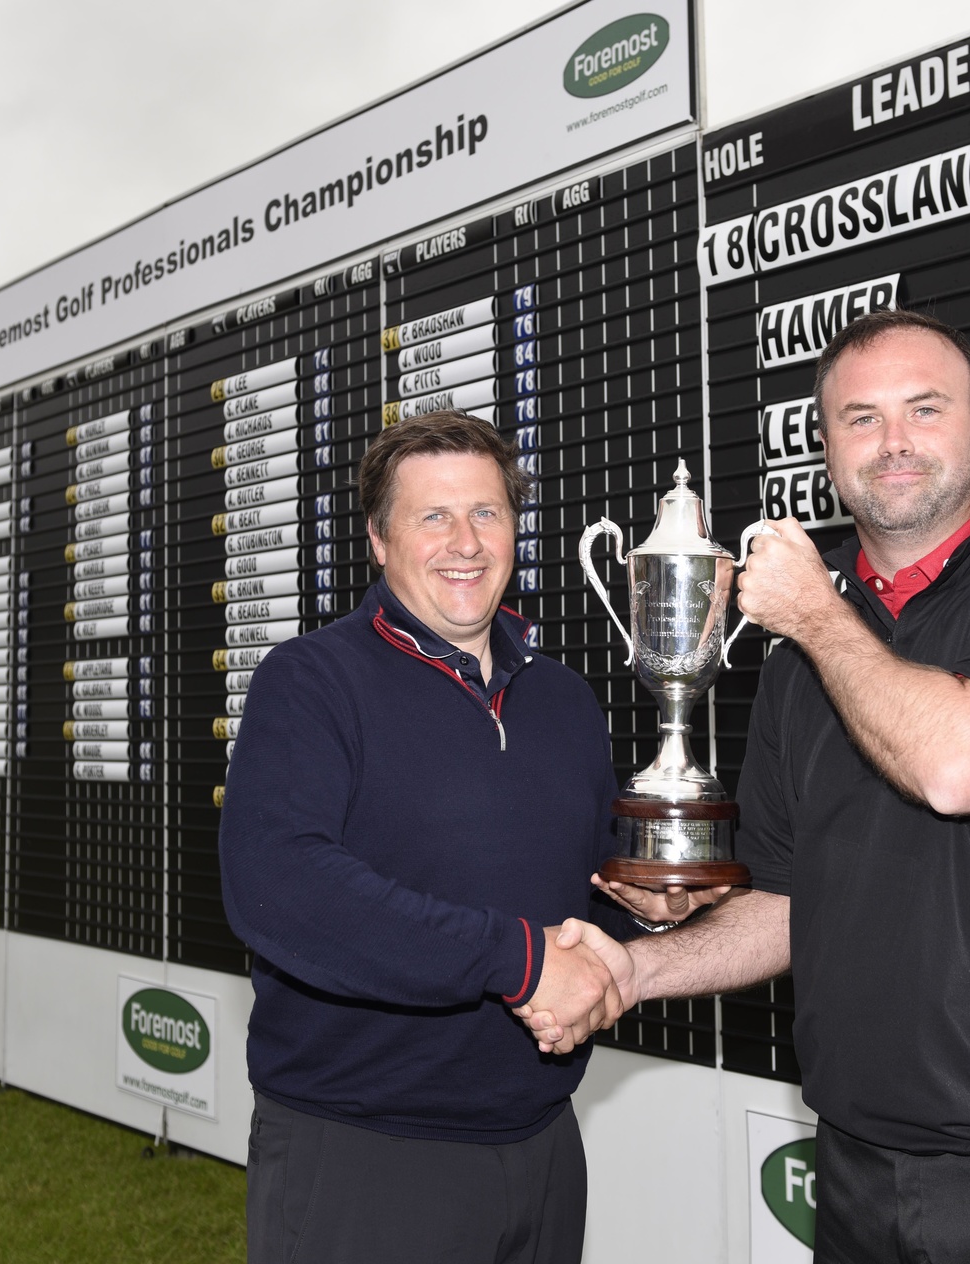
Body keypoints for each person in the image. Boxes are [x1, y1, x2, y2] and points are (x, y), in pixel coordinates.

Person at [528, 310, 970, 1262]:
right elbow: (794, 904)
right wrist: (638, 969)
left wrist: (815, 617)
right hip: (857, 1162)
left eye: (925, 409)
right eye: (860, 418)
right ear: (828, 449)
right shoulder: (806, 645)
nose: (893, 443)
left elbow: (959, 768)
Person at [221, 410, 678, 1263]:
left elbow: (585, 900)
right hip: (364, 1150)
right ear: (379, 542)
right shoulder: (311, 682)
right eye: (432, 516)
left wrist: (644, 911)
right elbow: (281, 888)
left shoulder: (565, 701)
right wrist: (520, 959)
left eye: (487, 513)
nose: (464, 541)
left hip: (542, 1139)